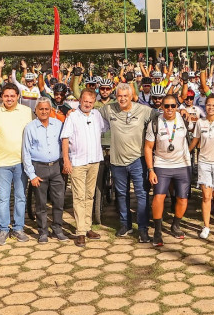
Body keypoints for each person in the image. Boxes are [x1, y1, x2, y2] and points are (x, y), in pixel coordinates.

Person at [99, 83, 158, 243]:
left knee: (142, 195)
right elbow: (90, 112)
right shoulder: (108, 109)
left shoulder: (144, 110)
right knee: (122, 194)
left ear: (132, 96)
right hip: (117, 161)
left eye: (126, 95)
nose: (122, 98)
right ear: (115, 96)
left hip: (138, 160)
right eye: (119, 96)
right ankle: (125, 225)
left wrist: (182, 114)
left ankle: (143, 228)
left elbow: (161, 116)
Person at [0, 82, 34, 245]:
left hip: (21, 162)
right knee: (3, 199)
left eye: (12, 96)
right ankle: (3, 230)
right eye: (6, 96)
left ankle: (18, 228)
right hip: (1, 163)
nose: (9, 99)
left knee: (20, 197)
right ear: (1, 97)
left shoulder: (26, 111)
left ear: (18, 97)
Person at [61, 89, 107, 247]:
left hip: (94, 161)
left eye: (90, 102)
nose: (87, 104)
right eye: (85, 101)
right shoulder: (72, 116)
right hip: (78, 162)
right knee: (79, 197)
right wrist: (66, 160)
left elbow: (104, 129)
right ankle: (80, 231)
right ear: (80, 100)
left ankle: (87, 227)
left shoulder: (96, 115)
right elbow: (65, 138)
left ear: (94, 102)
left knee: (90, 195)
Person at [145, 94, 191, 246]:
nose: (170, 109)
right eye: (167, 106)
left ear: (177, 107)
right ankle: (158, 231)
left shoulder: (183, 118)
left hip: (182, 164)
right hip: (162, 164)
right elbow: (148, 147)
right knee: (159, 196)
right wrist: (151, 170)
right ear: (162, 107)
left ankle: (175, 225)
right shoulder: (155, 123)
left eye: (173, 106)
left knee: (182, 198)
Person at [22, 98, 70, 243]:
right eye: (41, 109)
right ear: (36, 110)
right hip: (39, 168)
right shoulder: (30, 128)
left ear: (50, 110)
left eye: (46, 109)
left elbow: (64, 144)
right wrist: (32, 175)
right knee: (41, 203)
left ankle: (57, 229)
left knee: (59, 200)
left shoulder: (59, 125)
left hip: (56, 167)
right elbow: (26, 152)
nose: (44, 112)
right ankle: (43, 232)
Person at [189, 94, 214, 240]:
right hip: (204, 162)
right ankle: (206, 226)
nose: (211, 107)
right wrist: (186, 152)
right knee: (206, 196)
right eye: (208, 104)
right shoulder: (200, 123)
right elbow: (195, 140)